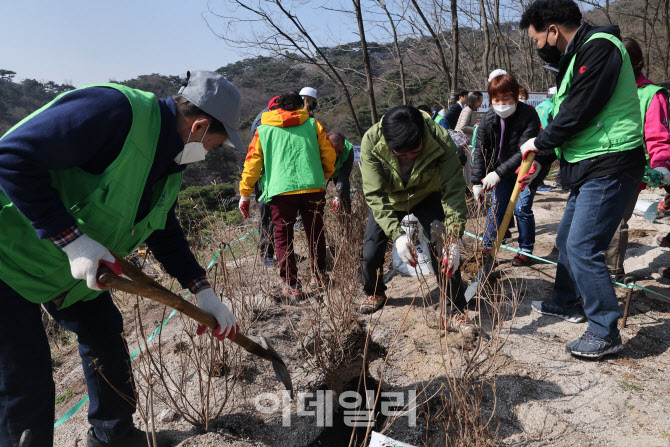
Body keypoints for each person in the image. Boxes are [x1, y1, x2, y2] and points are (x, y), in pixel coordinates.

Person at [0, 71, 242, 447]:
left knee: (105, 336)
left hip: (68, 267)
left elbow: (163, 229)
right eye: (213, 144)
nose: (207, 153)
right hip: (8, 252)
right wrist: (72, 241)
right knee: (24, 376)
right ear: (199, 126)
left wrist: (201, 288)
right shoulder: (114, 111)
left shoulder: (170, 163)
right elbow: (11, 158)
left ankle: (114, 435)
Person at [520, 0, 647, 358]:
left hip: (610, 162)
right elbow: (568, 119)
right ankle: (568, 300)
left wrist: (540, 142)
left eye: (536, 39)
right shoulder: (576, 58)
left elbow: (576, 113)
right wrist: (540, 160)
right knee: (565, 238)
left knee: (583, 246)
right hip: (589, 164)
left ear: (553, 31)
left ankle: (604, 330)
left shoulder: (600, 48)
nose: (537, 45)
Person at [358, 105, 470, 330]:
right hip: (389, 200)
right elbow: (374, 194)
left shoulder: (440, 138)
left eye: (414, 151)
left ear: (422, 135)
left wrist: (454, 236)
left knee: (443, 248)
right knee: (371, 252)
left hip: (427, 194)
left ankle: (453, 308)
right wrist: (397, 235)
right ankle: (375, 291)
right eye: (402, 154)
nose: (408, 157)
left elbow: (453, 189)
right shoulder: (371, 141)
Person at [239, 91, 336, 299]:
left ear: (276, 108)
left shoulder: (263, 130)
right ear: (300, 106)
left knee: (283, 237)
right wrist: (322, 176)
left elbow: (252, 164)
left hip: (280, 190)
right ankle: (318, 278)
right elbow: (329, 154)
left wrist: (245, 194)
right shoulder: (313, 125)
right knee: (315, 233)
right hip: (313, 186)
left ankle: (292, 285)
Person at [604, 37, 670, 281]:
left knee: (616, 217)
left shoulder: (651, 95)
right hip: (600, 165)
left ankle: (612, 271)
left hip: (631, 168)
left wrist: (661, 165)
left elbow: (658, 138)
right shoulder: (606, 89)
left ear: (636, 63)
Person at [471, 73, 545, 266]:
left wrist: (497, 173)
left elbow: (523, 151)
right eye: (496, 99)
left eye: (506, 99)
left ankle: (525, 249)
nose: (501, 104)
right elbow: (481, 150)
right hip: (500, 173)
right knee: (497, 209)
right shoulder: (488, 119)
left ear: (515, 96)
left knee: (522, 208)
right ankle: (487, 249)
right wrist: (476, 181)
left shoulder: (528, 115)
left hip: (525, 170)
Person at [249, 95, 280, 267]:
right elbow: (256, 157)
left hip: (276, 176)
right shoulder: (262, 123)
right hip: (264, 178)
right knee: (267, 216)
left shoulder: (270, 118)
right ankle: (266, 255)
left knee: (278, 217)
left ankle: (278, 252)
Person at [327, 132, 354, 213]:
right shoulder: (320, 147)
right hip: (324, 172)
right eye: (334, 151)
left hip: (340, 173)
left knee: (344, 198)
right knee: (316, 196)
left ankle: (346, 219)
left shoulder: (348, 149)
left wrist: (337, 196)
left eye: (339, 151)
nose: (336, 155)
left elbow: (344, 175)